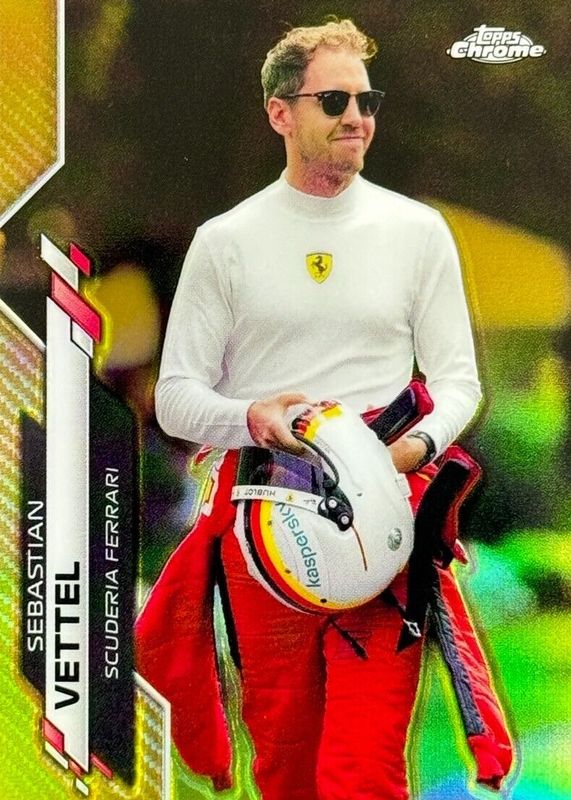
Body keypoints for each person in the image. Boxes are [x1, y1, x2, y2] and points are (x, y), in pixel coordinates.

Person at [136, 19, 510, 800]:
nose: (356, 118)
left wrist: (410, 451)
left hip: (386, 527)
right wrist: (252, 417)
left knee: (364, 770)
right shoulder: (225, 240)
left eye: (366, 101)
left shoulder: (416, 231)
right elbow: (176, 398)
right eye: (333, 101)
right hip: (264, 528)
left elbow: (458, 382)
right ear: (280, 113)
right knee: (286, 767)